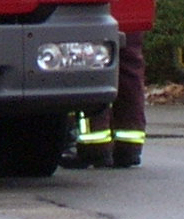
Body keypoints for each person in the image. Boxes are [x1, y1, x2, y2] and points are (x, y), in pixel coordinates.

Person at [60, 32, 147, 168]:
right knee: (129, 64)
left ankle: (95, 147)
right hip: (128, 14)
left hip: (93, 15)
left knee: (93, 61)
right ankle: (128, 147)